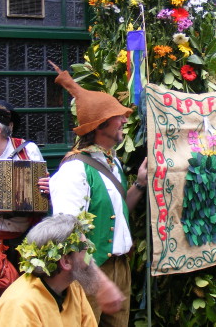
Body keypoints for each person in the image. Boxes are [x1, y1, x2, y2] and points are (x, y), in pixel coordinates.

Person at [49, 63, 148, 326]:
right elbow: (67, 230)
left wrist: (139, 184)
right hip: (90, 272)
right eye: (118, 116)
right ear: (100, 124)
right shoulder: (75, 169)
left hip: (120, 268)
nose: (124, 121)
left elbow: (117, 212)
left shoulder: (110, 161)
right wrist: (99, 282)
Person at [0, 212, 124, 326]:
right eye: (85, 248)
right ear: (65, 261)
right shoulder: (21, 305)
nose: (90, 254)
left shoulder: (73, 288)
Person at [0, 100, 50, 321]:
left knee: (24, 304)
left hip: (24, 242)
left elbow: (43, 191)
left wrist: (48, 188)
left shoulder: (26, 149)